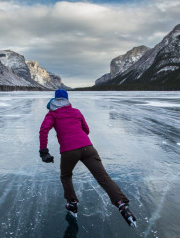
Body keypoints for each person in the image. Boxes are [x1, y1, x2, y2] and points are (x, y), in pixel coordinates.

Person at [39, 89, 137, 227]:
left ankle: (72, 203)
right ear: (67, 100)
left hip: (69, 151)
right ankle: (122, 204)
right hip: (88, 148)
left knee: (66, 176)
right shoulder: (76, 112)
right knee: (103, 176)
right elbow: (87, 130)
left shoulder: (52, 114)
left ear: (55, 100)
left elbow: (43, 130)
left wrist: (44, 151)